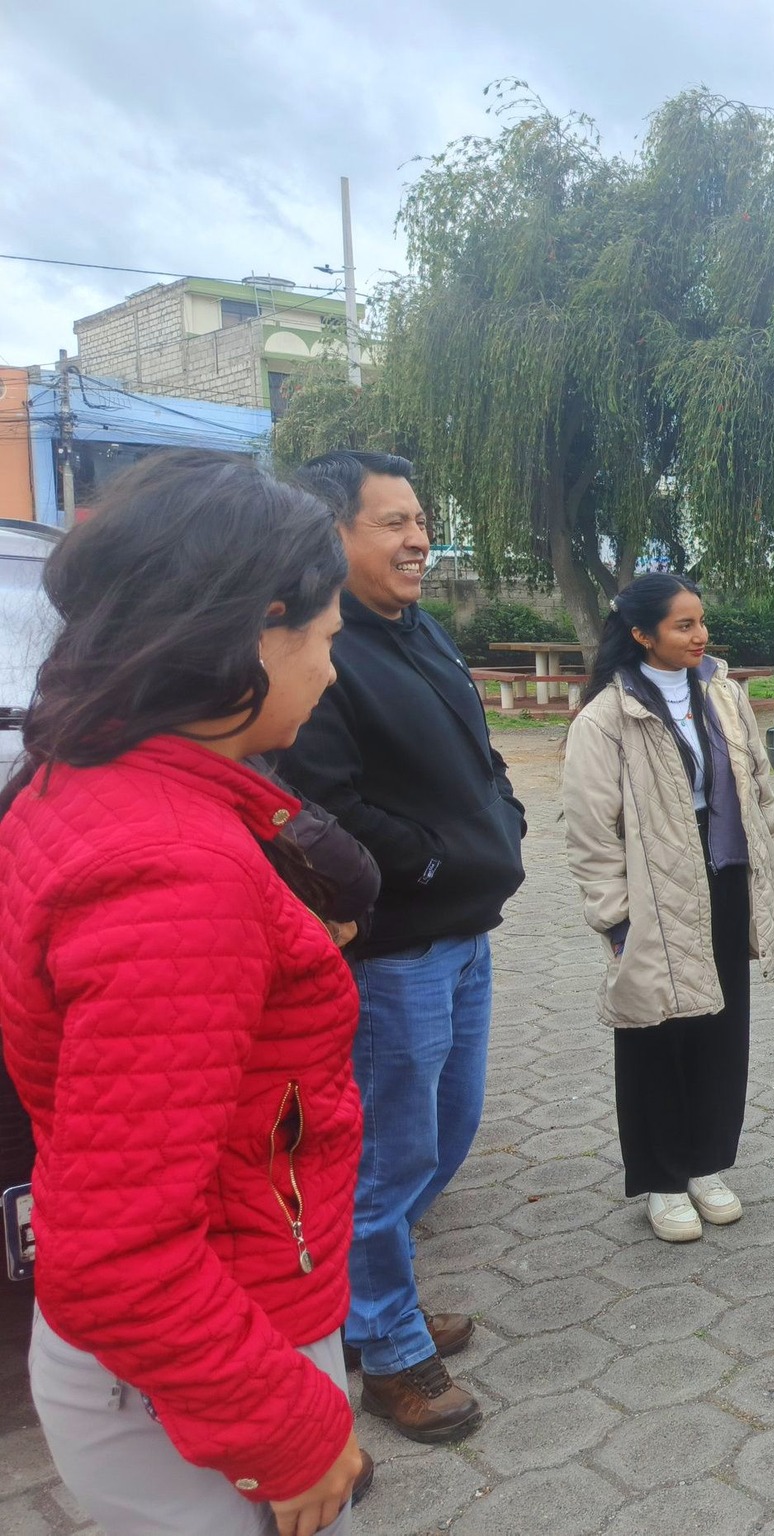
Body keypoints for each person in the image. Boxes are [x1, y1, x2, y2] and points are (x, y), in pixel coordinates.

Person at [0, 451, 365, 1535]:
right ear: (257, 630)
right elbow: (118, 1257)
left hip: (186, 1340)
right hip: (206, 1355)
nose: (332, 673)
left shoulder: (81, 776)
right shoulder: (174, 871)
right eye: (327, 638)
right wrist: (286, 1427)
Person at [280, 450, 527, 1444]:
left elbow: (478, 755)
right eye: (393, 522)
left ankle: (366, 1297)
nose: (419, 539)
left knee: (447, 1133)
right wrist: (428, 863)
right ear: (332, 534)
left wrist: (504, 817)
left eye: (421, 519)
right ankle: (385, 1347)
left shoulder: (421, 630)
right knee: (388, 1158)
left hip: (467, 934)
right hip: (397, 952)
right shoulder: (321, 647)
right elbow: (321, 804)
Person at [562, 574, 774, 1242]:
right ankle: (663, 1180)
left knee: (722, 1028)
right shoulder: (608, 716)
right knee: (655, 1033)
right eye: (683, 625)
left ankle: (707, 1164)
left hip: (724, 878)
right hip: (654, 890)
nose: (700, 636)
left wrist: (767, 858)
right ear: (642, 634)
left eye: (701, 622)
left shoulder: (724, 694)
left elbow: (758, 787)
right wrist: (615, 917)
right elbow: (591, 832)